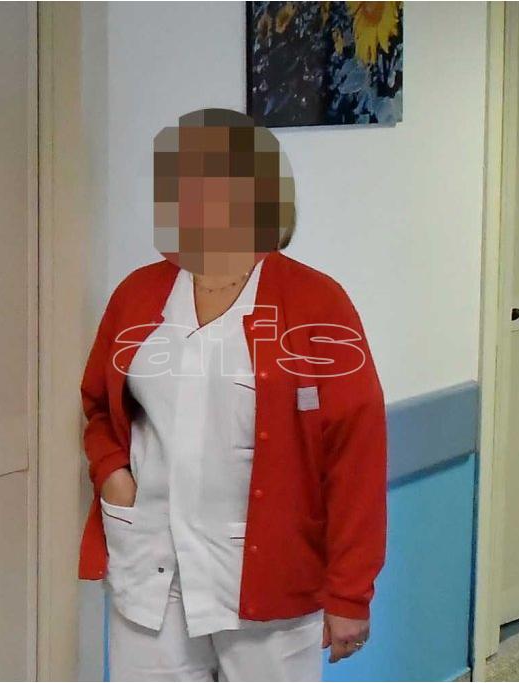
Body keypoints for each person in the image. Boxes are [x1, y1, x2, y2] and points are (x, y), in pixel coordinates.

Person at [78, 108, 387, 681]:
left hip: (269, 580)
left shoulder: (316, 303)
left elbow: (356, 453)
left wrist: (350, 591)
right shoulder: (138, 295)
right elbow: (99, 405)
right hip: (152, 568)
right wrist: (112, 473)